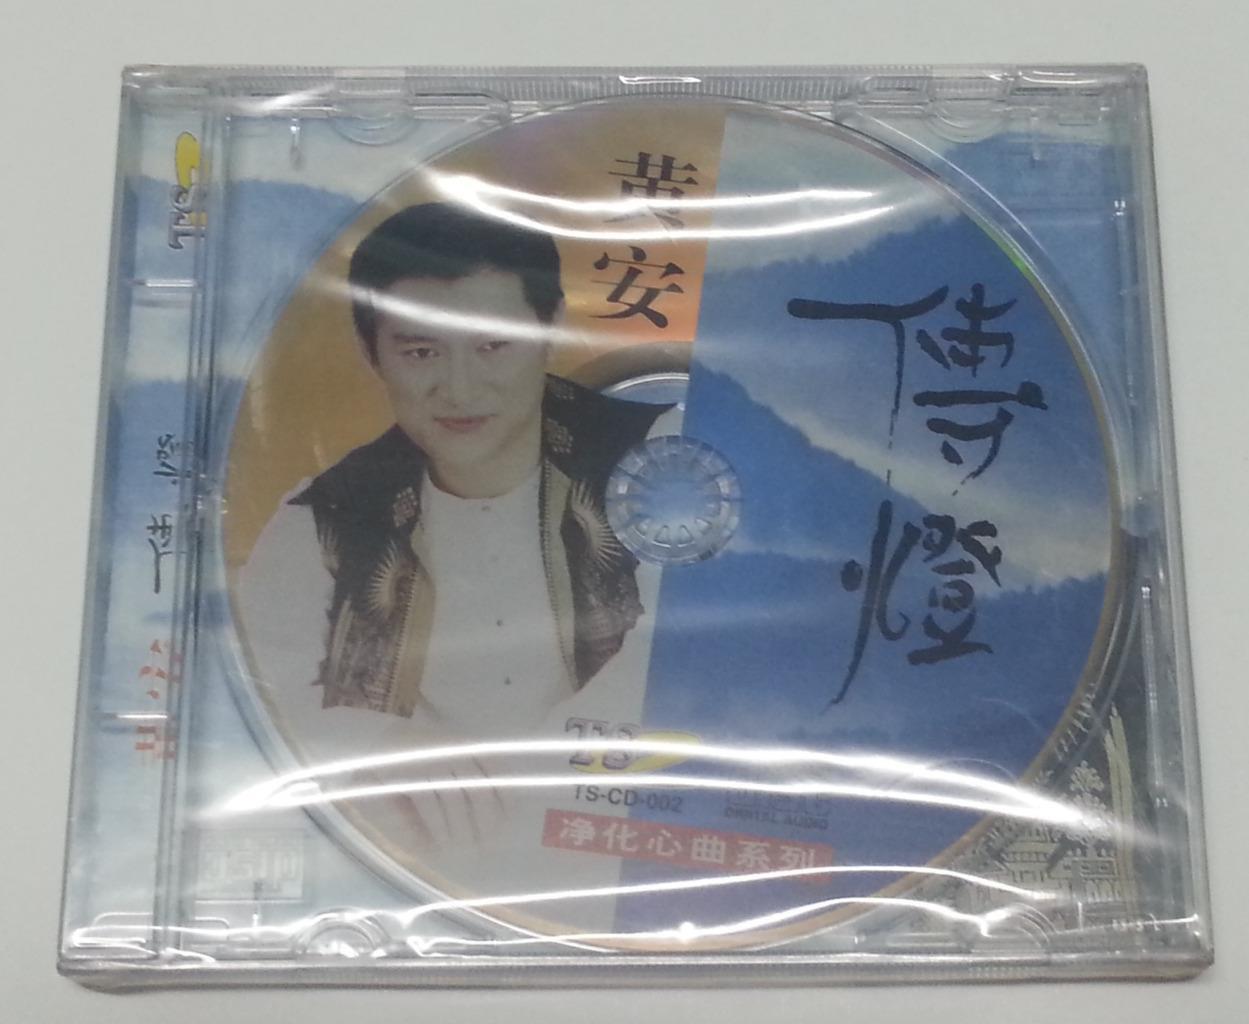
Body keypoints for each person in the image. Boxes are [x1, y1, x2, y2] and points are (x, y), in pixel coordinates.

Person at [236, 202, 676, 756]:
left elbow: (689, 652)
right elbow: (257, 685)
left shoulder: (664, 457)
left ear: (552, 328)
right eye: (421, 352)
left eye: (493, 346)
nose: (460, 389)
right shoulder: (317, 520)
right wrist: (376, 741)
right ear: (370, 353)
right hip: (410, 809)